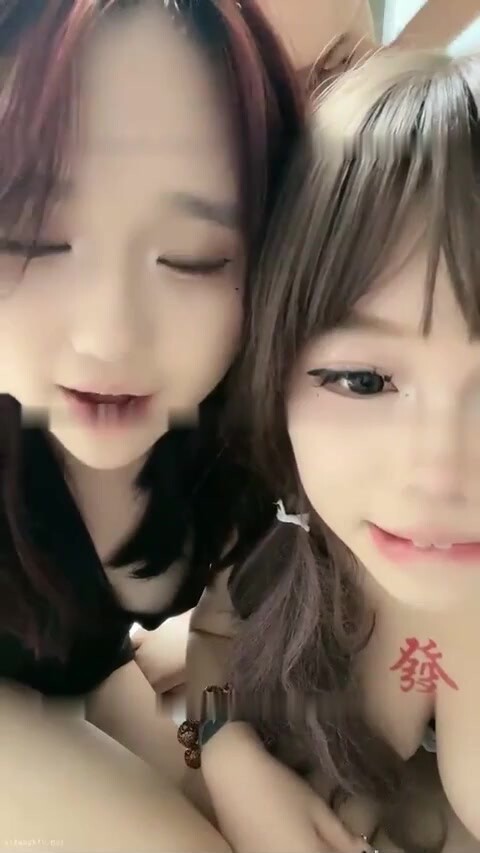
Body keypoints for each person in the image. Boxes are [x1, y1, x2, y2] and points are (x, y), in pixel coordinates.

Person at [0, 0, 302, 849]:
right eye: (29, 237)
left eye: (192, 258)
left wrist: (224, 738)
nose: (109, 337)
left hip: (85, 666)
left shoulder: (240, 441)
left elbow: (220, 625)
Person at [184, 47, 480, 852]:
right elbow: (212, 641)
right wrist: (224, 749)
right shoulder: (276, 525)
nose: (438, 472)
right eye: (362, 380)